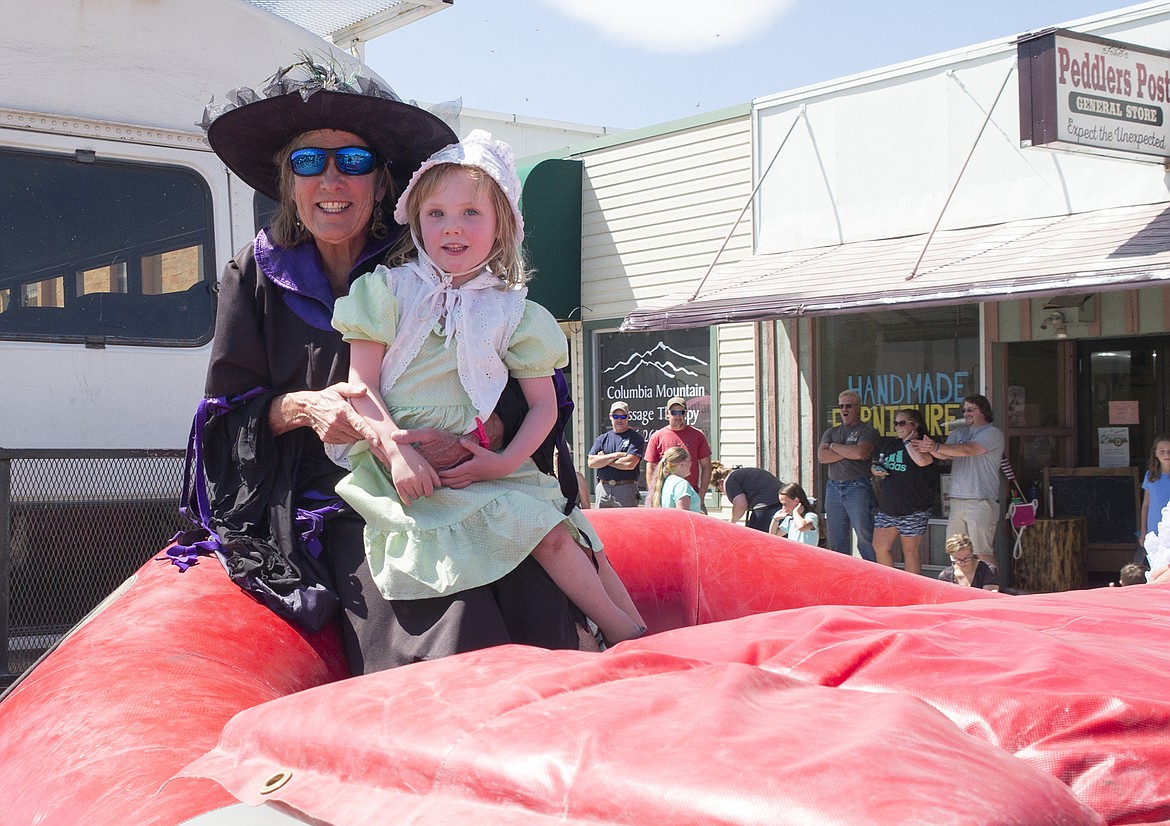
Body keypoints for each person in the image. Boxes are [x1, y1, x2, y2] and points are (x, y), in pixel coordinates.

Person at [194, 59, 611, 675]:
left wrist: (474, 441)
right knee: (451, 613)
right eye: (309, 162)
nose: (332, 179)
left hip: (465, 480)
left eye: (354, 161)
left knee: (540, 596)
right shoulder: (253, 275)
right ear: (288, 182)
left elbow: (526, 387)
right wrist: (305, 409)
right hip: (335, 496)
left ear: (384, 182)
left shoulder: (432, 265)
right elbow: (223, 418)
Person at [332, 130, 645, 649]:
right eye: (436, 214)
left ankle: (632, 628)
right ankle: (624, 635)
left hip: (482, 461)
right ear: (416, 221)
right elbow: (360, 385)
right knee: (540, 530)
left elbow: (544, 406)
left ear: (502, 224)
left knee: (566, 528)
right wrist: (394, 451)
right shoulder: (387, 291)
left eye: (471, 213)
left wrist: (503, 462)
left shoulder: (513, 310)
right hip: (403, 462)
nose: (453, 228)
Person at [914, 394, 1004, 568]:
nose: (966, 413)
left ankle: (990, 590)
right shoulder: (958, 432)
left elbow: (970, 449)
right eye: (964, 410)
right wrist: (930, 448)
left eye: (971, 409)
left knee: (982, 553)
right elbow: (945, 454)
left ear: (984, 411)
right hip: (956, 501)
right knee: (955, 551)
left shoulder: (993, 433)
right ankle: (963, 587)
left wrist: (936, 447)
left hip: (980, 500)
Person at [871, 408, 939, 576]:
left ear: (915, 425)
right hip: (888, 508)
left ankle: (912, 591)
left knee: (910, 552)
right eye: (895, 423)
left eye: (902, 423)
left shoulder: (925, 443)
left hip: (913, 508)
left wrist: (909, 442)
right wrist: (876, 470)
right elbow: (876, 464)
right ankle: (890, 586)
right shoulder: (890, 445)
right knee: (880, 547)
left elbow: (922, 461)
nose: (897, 427)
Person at [818, 390, 878, 561]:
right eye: (841, 406)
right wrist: (847, 451)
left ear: (858, 408)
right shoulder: (831, 431)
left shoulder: (867, 431)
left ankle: (872, 576)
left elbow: (860, 452)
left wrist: (834, 447)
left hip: (858, 487)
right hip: (833, 487)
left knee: (865, 536)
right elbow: (822, 457)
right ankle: (842, 577)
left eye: (849, 406)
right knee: (837, 538)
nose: (844, 409)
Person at [644, 396, 712, 509]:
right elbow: (651, 467)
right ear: (667, 414)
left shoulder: (697, 435)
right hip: (667, 495)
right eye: (674, 412)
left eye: (681, 412)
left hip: (692, 494)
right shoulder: (657, 436)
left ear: (686, 414)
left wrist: (701, 495)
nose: (678, 416)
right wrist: (654, 495)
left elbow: (706, 466)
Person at [587, 401, 645, 508]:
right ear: (610, 417)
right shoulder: (602, 439)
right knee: (601, 523)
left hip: (625, 488)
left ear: (628, 417)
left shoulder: (635, 438)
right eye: (615, 416)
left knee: (626, 523)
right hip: (603, 488)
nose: (619, 420)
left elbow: (629, 464)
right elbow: (591, 462)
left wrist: (603, 459)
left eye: (623, 416)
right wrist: (615, 455)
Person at [710, 462, 783, 531]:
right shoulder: (742, 473)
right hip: (782, 504)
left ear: (720, 482)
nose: (722, 492)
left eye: (719, 490)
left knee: (755, 540)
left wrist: (732, 522)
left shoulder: (729, 481)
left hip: (766, 509)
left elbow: (741, 505)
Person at [1139, 435, 1170, 564]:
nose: (1166, 455)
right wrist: (1143, 532)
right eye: (1162, 451)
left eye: (1169, 451)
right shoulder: (1150, 476)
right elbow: (1146, 505)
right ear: (1155, 453)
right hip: (1155, 530)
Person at [649, 446, 702, 512]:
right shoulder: (681, 484)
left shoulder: (667, 481)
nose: (691, 463)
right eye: (690, 460)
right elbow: (683, 514)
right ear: (682, 464)